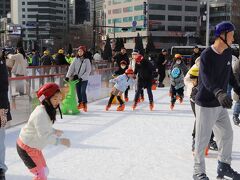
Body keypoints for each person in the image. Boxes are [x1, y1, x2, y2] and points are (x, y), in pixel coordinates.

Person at [193, 21, 240, 180]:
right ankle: (198, 172)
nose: (233, 39)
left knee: (227, 134)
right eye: (231, 35)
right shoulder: (207, 55)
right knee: (202, 141)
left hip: (219, 104)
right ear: (222, 35)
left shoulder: (227, 53)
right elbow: (206, 80)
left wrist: (237, 88)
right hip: (206, 104)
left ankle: (223, 166)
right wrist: (219, 92)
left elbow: (230, 75)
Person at [16, 82, 71, 180]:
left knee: (45, 171)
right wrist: (60, 141)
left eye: (59, 98)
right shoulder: (41, 114)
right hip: (27, 148)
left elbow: (44, 128)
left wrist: (54, 131)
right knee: (41, 175)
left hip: (34, 146)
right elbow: (44, 137)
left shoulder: (46, 110)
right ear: (46, 100)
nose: (58, 101)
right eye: (55, 98)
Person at [185, 66, 218, 153]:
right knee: (200, 119)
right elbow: (187, 79)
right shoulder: (196, 66)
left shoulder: (214, 66)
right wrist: (193, 85)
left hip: (208, 97)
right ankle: (195, 140)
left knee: (211, 120)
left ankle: (209, 140)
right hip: (195, 98)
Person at [65, 46, 92, 112]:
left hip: (84, 79)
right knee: (78, 92)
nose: (80, 52)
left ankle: (84, 104)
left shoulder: (87, 60)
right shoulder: (75, 59)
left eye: (81, 51)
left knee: (83, 91)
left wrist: (82, 78)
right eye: (79, 51)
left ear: (84, 52)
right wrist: (67, 76)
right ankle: (80, 103)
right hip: (76, 78)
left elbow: (88, 70)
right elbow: (71, 68)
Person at [0, 49, 12, 180]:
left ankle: (0, 169)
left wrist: (2, 109)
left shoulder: (1, 65)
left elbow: (3, 88)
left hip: (0, 108)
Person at [231, 54, 240, 126]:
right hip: (239, 86)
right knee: (239, 101)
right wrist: (237, 85)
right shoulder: (238, 63)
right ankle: (235, 115)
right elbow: (235, 74)